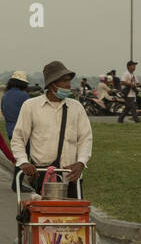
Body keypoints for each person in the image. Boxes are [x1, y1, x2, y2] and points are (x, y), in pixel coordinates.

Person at [10, 60, 93, 200]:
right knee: (42, 213)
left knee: (73, 213)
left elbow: (85, 138)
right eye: (64, 81)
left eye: (69, 80)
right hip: (42, 175)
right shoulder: (31, 106)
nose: (68, 85)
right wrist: (23, 162)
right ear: (51, 84)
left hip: (71, 175)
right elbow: (18, 138)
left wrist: (81, 163)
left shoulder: (76, 107)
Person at [1, 71, 30, 138]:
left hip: (10, 130)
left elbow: (3, 112)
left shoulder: (5, 95)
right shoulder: (24, 95)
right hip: (22, 130)